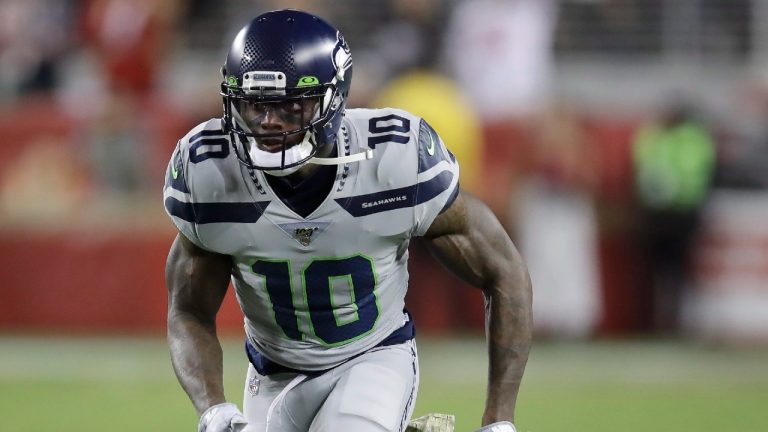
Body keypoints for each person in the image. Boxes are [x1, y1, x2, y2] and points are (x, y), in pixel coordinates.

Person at [163, 9, 531, 432]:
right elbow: (188, 309)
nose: (268, 123)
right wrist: (213, 409)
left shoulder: (393, 161)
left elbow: (504, 272)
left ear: (333, 98)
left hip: (373, 356)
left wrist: (499, 419)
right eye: (254, 105)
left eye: (290, 105)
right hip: (270, 373)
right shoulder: (209, 173)